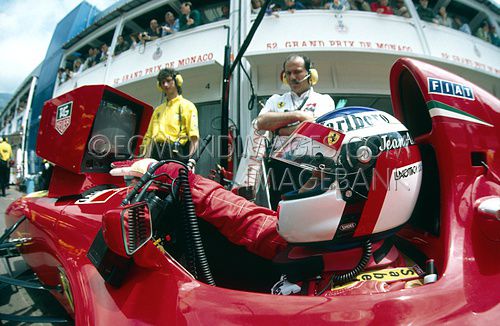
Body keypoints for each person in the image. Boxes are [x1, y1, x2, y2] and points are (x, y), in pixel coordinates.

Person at [112, 107, 425, 296]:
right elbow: (248, 219)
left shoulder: (380, 301)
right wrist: (170, 173)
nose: (306, 185)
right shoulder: (331, 246)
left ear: (362, 188)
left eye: (320, 176)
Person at [254, 54, 335, 209]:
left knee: (310, 210)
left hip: (312, 166)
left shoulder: (324, 100)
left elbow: (318, 130)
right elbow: (261, 122)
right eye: (288, 73)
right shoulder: (275, 100)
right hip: (279, 167)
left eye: (297, 72)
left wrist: (279, 130)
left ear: (310, 73)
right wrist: (298, 115)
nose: (292, 77)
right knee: (281, 209)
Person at [142, 68, 199, 161]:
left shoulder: (188, 106)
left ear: (177, 81)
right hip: (155, 153)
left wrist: (191, 161)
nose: (165, 85)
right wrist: (144, 158)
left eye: (168, 81)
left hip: (177, 153)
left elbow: (194, 137)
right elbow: (149, 136)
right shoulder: (157, 110)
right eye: (162, 82)